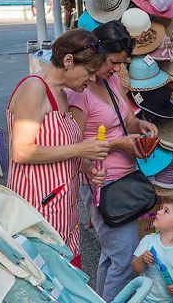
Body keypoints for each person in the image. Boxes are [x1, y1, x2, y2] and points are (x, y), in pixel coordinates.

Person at [66, 20, 158, 303]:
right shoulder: (79, 93)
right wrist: (118, 144)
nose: (117, 69)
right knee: (124, 261)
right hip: (102, 186)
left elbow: (126, 120)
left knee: (111, 257)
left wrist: (139, 126)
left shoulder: (113, 80)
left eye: (122, 63)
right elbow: (74, 149)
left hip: (124, 179)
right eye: (114, 62)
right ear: (97, 54)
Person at [6, 28, 110, 264]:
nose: (93, 79)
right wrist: (81, 149)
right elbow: (21, 151)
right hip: (36, 217)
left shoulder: (62, 94)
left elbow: (57, 150)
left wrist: (86, 167)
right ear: (68, 61)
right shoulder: (34, 88)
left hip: (64, 217)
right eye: (90, 71)